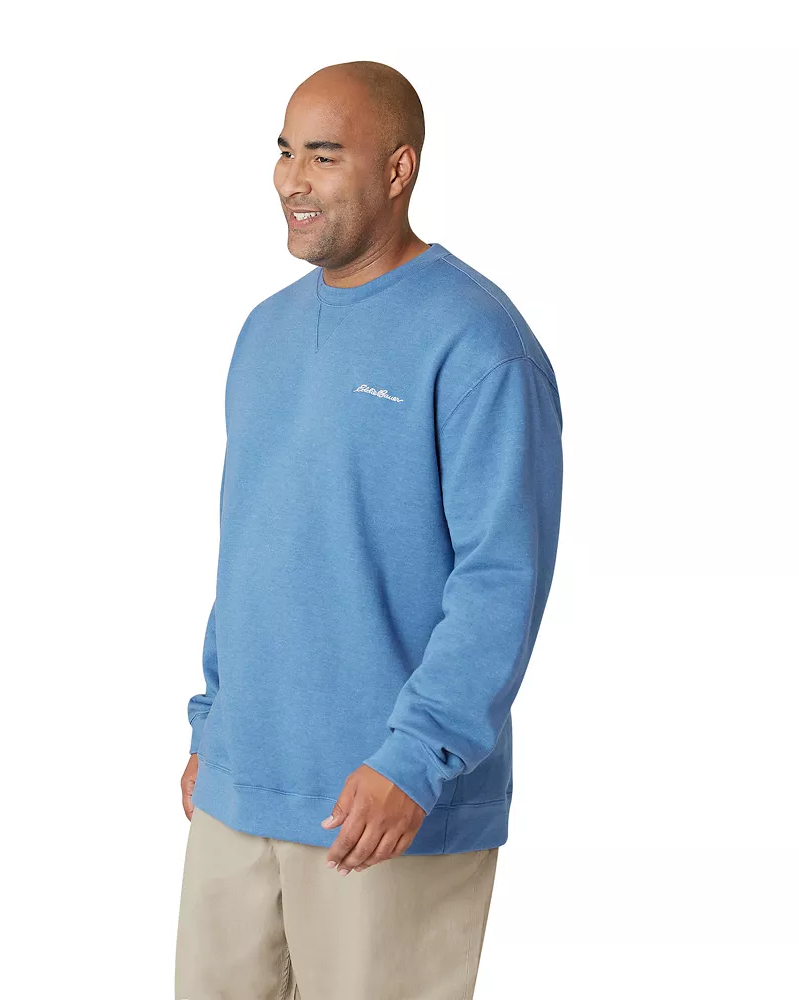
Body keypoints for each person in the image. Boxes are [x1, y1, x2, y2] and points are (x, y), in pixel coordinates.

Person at [174, 60, 564, 1000]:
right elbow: (254, 543)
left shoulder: (478, 342)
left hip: (386, 804)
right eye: (283, 152)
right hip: (240, 785)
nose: (292, 181)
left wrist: (415, 760)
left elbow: (501, 580)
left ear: (398, 169)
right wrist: (214, 719)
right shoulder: (263, 332)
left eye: (324, 155)